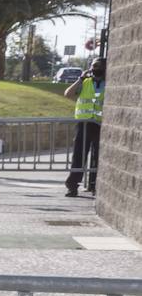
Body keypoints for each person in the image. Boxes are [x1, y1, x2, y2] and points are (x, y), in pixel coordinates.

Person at [64, 57, 104, 196]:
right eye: (93, 65)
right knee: (79, 156)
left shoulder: (109, 84)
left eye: (98, 66)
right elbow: (68, 94)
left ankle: (94, 185)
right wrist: (80, 79)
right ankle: (72, 186)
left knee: (98, 156)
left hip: (101, 125)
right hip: (84, 124)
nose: (95, 68)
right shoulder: (85, 82)